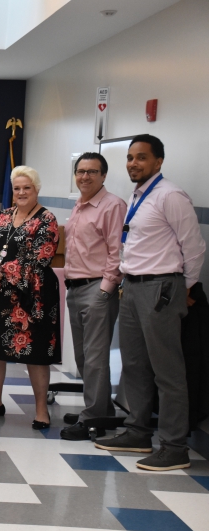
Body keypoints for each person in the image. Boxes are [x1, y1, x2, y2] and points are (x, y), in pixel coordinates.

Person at [94, 135, 205, 471]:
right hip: (134, 286)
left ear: (158, 161)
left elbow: (195, 248)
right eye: (130, 158)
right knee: (135, 365)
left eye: (141, 158)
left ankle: (174, 447)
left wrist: (183, 288)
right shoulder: (140, 194)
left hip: (161, 288)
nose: (133, 163)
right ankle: (139, 431)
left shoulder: (171, 195)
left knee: (167, 371)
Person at [0, 166, 60, 429]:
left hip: (32, 298)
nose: (21, 192)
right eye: (17, 188)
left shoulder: (47, 219)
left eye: (26, 188)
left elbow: (39, 258)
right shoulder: (2, 216)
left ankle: (41, 410)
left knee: (35, 353)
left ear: (37, 189)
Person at [59, 153, 126, 441]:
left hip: (97, 288)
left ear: (103, 176)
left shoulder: (112, 206)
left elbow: (118, 252)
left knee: (96, 357)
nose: (85, 176)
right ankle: (100, 410)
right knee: (85, 357)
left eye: (92, 172)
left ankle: (94, 418)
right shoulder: (80, 205)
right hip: (75, 288)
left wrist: (105, 290)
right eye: (80, 171)